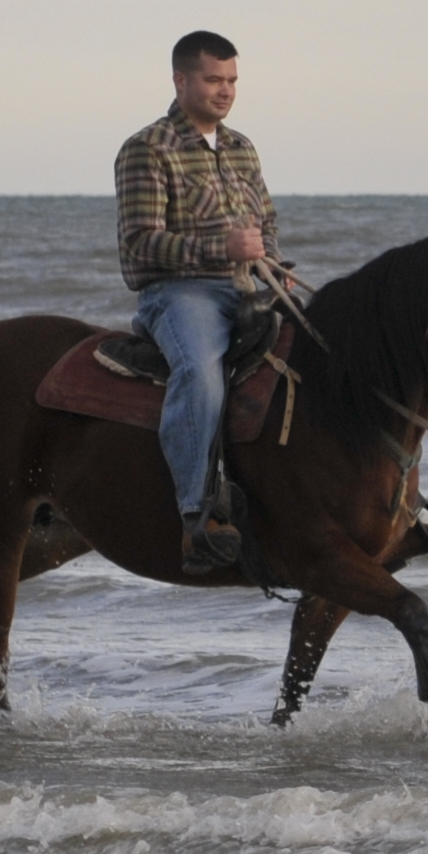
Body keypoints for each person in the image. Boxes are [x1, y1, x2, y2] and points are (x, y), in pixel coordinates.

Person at [115, 29, 280, 575]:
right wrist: (222, 247)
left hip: (249, 285)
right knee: (200, 370)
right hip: (178, 294)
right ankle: (196, 514)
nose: (225, 91)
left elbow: (266, 223)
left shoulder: (242, 148)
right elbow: (139, 247)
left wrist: (271, 261)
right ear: (181, 79)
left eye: (232, 80)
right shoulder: (147, 148)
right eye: (213, 79)